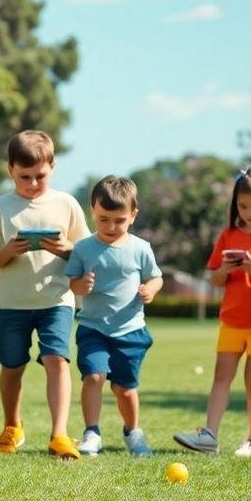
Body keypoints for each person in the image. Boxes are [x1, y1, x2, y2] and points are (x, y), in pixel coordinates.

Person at [0, 130, 90, 458]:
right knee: (12, 366)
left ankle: (59, 434)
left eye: (39, 176)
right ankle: (12, 426)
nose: (31, 183)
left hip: (57, 301)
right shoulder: (0, 208)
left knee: (57, 359)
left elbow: (85, 253)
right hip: (13, 304)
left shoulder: (67, 204)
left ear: (53, 166)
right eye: (23, 176)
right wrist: (9, 250)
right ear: (9, 169)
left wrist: (65, 249)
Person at [174, 165, 251, 457]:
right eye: (243, 206)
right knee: (220, 378)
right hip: (232, 320)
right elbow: (214, 279)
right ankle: (209, 435)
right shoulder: (228, 235)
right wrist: (226, 270)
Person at [66, 176, 163, 457]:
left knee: (125, 389)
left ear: (133, 215)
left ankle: (133, 431)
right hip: (93, 329)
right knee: (94, 377)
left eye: (118, 220)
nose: (110, 227)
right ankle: (91, 432)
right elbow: (73, 282)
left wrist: (150, 290)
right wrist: (80, 286)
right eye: (103, 218)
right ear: (92, 211)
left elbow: (156, 278)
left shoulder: (141, 248)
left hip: (130, 332)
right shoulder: (83, 248)